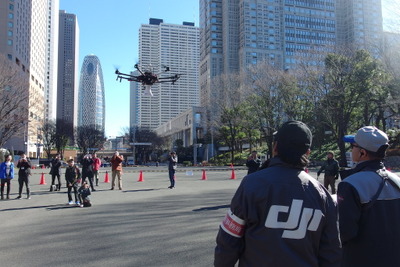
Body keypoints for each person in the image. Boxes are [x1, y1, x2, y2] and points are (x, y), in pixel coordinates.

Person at [214, 121, 341, 267]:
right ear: (307, 153)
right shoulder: (321, 194)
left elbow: (229, 239)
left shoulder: (251, 184)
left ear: (275, 147)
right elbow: (331, 252)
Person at [337, 126, 400, 267]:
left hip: (361, 259)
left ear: (362, 153)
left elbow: (345, 232)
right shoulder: (396, 181)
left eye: (352, 146)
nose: (351, 149)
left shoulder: (350, 184)